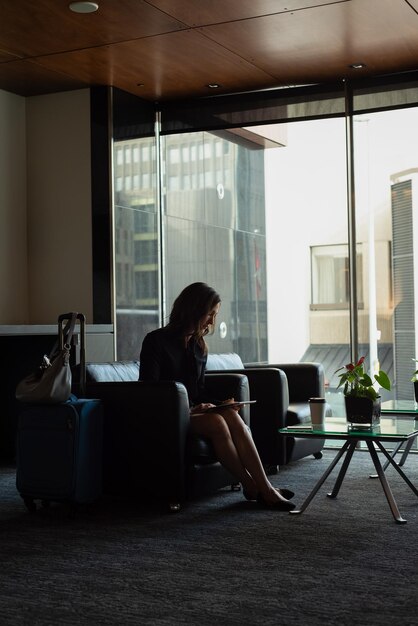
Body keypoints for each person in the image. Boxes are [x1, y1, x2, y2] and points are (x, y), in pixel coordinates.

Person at [139, 282, 295, 511]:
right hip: (169, 416)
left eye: (214, 315)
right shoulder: (156, 341)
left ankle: (264, 487)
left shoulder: (198, 347)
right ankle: (252, 486)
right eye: (209, 314)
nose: (212, 322)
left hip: (195, 412)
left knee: (231, 416)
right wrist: (190, 409)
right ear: (193, 310)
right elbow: (149, 390)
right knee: (216, 421)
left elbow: (199, 389)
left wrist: (221, 404)